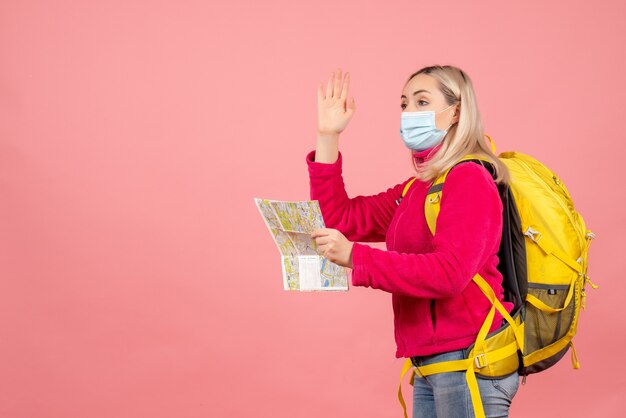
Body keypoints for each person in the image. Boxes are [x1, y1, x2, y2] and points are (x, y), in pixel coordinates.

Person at [307, 65, 520, 418]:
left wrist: (356, 257)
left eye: (422, 102)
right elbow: (338, 219)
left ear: (455, 112)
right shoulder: (414, 191)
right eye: (404, 104)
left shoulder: (469, 178)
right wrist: (327, 135)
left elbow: (449, 273)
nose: (409, 113)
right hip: (431, 365)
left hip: (470, 361)